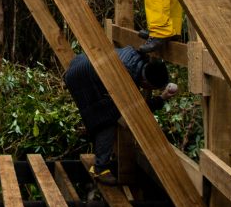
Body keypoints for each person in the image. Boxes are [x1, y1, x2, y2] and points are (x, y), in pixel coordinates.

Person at [63, 46, 178, 185]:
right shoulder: (126, 78)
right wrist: (162, 98)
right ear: (146, 82)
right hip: (81, 77)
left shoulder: (138, 59)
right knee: (106, 119)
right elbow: (137, 110)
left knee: (107, 113)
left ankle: (100, 155)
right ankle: (100, 168)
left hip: (82, 61)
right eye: (152, 88)